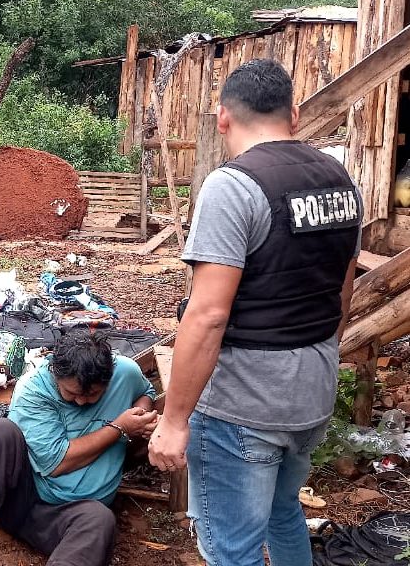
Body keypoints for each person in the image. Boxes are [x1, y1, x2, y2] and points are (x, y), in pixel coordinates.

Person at [148, 59, 361, 566]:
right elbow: (342, 291)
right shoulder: (338, 179)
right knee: (283, 511)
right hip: (311, 392)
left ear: (222, 117)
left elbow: (208, 315)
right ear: (295, 112)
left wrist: (175, 421)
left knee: (231, 548)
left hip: (244, 407)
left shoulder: (233, 186)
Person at [0, 332, 157, 566]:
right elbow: (58, 463)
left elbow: (146, 391)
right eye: (71, 393)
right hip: (23, 499)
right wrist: (120, 428)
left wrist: (140, 413)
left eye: (93, 394)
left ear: (110, 377)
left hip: (69, 518)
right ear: (55, 372)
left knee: (100, 519)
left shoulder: (125, 372)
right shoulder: (32, 389)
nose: (81, 401)